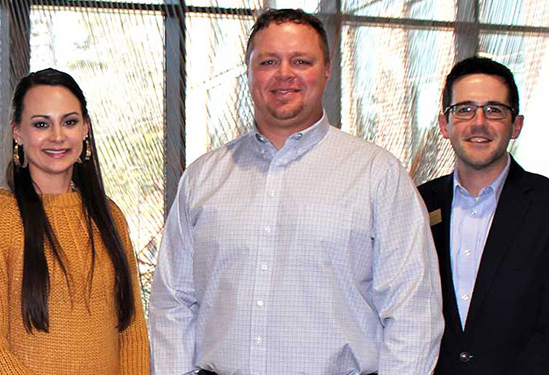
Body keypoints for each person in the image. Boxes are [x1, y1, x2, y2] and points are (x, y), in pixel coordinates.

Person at [148, 9, 443, 375]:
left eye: (301, 61)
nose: (284, 74)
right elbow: (173, 303)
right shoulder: (203, 178)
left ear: (327, 70)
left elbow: (413, 309)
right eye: (269, 61)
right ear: (249, 70)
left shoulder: (377, 175)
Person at [0, 68, 149, 375]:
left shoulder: (111, 218)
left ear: (85, 128)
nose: (58, 136)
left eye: (69, 122)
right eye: (41, 124)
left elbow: (131, 332)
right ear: (18, 132)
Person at [416, 57, 549, 375]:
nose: (479, 122)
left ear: (516, 125)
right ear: (445, 125)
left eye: (494, 110)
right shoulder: (416, 205)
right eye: (465, 109)